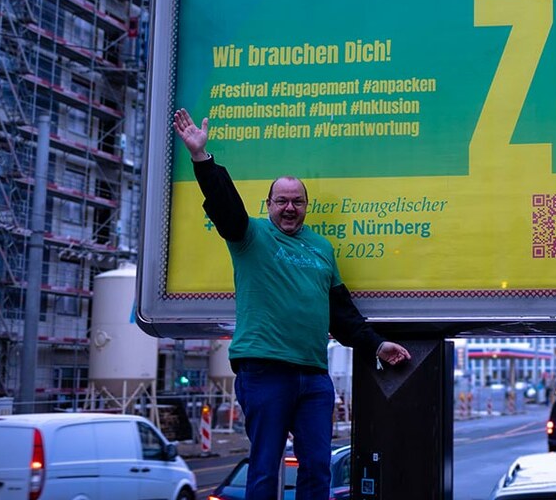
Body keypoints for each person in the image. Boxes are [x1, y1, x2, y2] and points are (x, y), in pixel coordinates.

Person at [172, 108, 411, 500]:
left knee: (317, 466)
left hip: (314, 376)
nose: (289, 208)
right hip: (265, 369)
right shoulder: (250, 235)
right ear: (267, 204)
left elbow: (342, 313)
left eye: (296, 201)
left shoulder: (321, 247)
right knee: (265, 467)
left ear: (305, 206)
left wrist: (377, 345)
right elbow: (226, 207)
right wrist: (202, 158)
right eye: (281, 200)